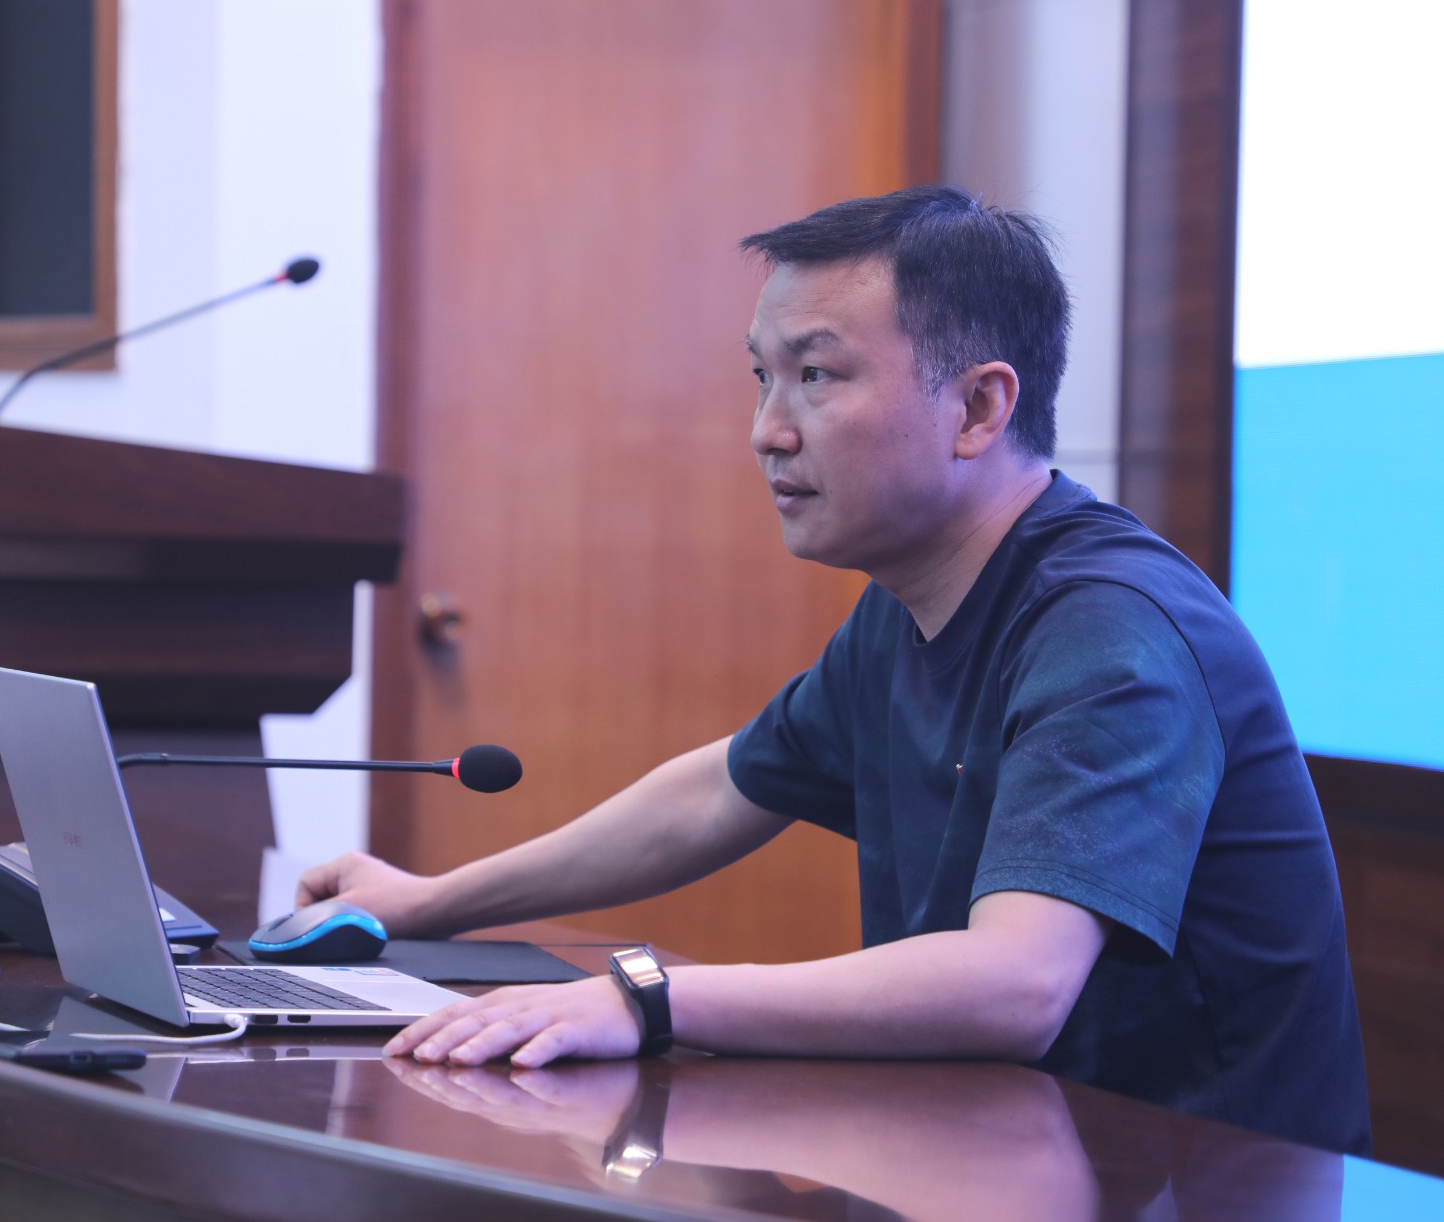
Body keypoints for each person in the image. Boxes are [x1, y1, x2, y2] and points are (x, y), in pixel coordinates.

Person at [299, 186, 1370, 1154]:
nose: (767, 432)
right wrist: (431, 904)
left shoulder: (1109, 630)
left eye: (815, 377)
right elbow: (721, 792)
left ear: (978, 409)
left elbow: (1016, 982)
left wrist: (644, 996)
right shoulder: (908, 603)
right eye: (762, 378)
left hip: (1191, 1181)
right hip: (1000, 1157)